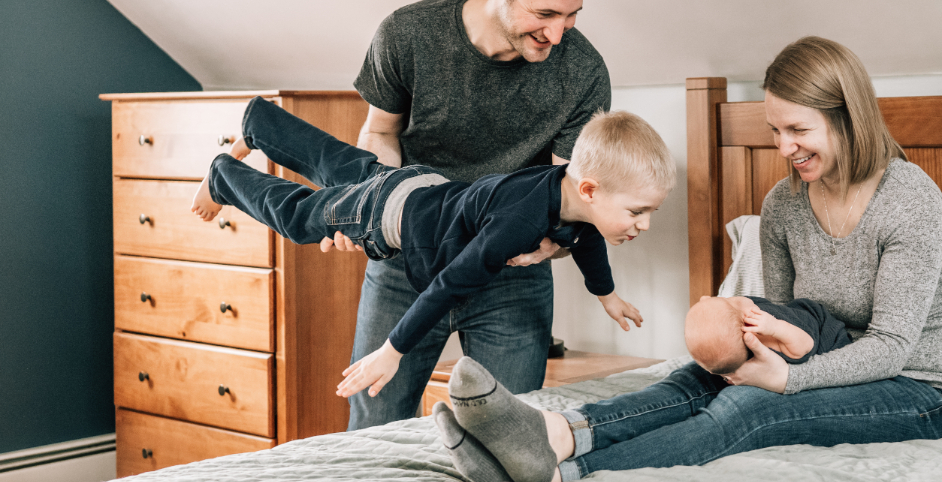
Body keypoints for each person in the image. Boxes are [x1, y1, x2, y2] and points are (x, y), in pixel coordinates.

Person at [432, 35, 942, 482]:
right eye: (775, 131)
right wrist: (743, 351)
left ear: (847, 119)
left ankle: (561, 474)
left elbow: (891, 348)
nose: (784, 148)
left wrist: (783, 380)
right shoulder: (784, 204)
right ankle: (557, 431)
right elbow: (783, 316)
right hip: (819, 356)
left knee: (750, 408)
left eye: (799, 130)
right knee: (699, 380)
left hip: (918, 387)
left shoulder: (909, 202)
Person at [191, 98, 674, 399]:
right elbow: (449, 284)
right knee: (301, 218)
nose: (644, 225)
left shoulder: (567, 193)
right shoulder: (520, 220)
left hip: (416, 184)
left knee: (342, 165)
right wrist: (392, 350)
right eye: (637, 212)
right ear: (589, 189)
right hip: (386, 216)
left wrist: (606, 295)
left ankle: (261, 122)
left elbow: (586, 237)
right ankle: (225, 177)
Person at [331, 0, 612, 429]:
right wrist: (364, 205)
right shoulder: (408, 33)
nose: (558, 33)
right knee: (373, 426)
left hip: (511, 273)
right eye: (545, 12)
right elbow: (380, 134)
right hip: (405, 260)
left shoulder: (583, 72)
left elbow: (572, 191)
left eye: (571, 15)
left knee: (508, 438)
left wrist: (555, 243)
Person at [684, 295, 851, 375]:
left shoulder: (745, 321)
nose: (733, 296)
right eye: (730, 300)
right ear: (748, 326)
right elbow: (805, 345)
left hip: (806, 315)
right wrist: (776, 328)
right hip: (830, 337)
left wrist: (711, 304)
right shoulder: (768, 338)